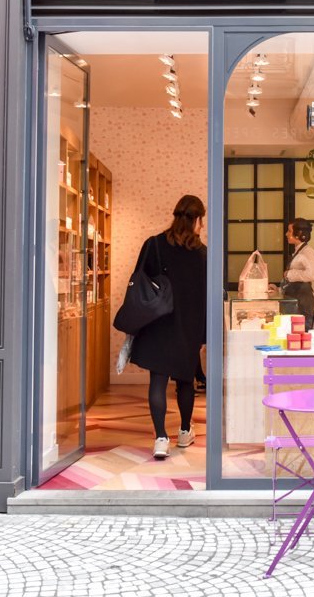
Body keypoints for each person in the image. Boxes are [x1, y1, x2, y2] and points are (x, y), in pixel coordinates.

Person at [129, 195, 207, 461]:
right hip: (188, 325)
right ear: (197, 219)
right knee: (186, 382)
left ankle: (161, 439)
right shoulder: (202, 253)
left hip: (158, 324)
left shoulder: (154, 245)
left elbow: (138, 279)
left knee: (157, 382)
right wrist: (204, 333)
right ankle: (185, 431)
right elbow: (206, 295)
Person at [279, 218, 314, 320]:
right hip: (297, 299)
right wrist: (279, 289)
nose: (286, 234)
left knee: (301, 331)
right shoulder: (298, 250)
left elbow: (312, 275)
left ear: (299, 233)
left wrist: (289, 274)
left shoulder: (308, 251)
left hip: (304, 301)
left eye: (289, 231)